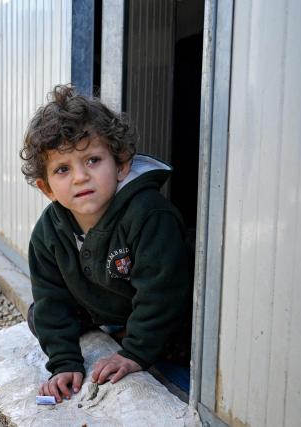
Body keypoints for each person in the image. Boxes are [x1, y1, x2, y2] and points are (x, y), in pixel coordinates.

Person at [19, 85, 191, 403]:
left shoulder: (148, 214)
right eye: (63, 169)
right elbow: (51, 298)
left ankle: (133, 336)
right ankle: (120, 331)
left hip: (158, 306)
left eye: (93, 160)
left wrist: (135, 354)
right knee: (40, 315)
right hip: (101, 308)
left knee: (182, 337)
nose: (80, 177)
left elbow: (161, 292)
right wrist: (64, 364)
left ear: (121, 164)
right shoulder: (48, 232)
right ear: (47, 188)